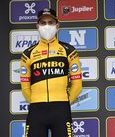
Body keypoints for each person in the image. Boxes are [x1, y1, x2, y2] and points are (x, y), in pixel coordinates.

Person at [20, 8, 82, 137]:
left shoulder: (69, 50)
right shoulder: (28, 53)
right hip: (37, 110)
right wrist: (36, 101)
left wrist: (64, 102)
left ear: (57, 25)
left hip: (61, 109)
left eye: (50, 22)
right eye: (43, 23)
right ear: (37, 26)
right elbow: (25, 85)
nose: (47, 26)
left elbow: (77, 84)